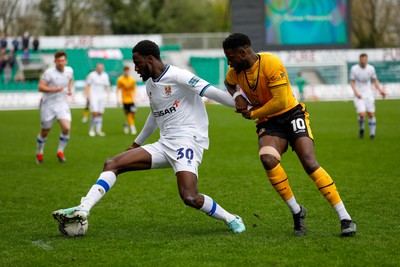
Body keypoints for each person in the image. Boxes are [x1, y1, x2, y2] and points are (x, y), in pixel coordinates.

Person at [52, 40, 246, 234]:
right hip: (164, 144)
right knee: (112, 163)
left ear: (150, 59)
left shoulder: (179, 75)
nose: (136, 69)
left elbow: (212, 92)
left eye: (138, 63)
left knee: (190, 197)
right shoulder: (150, 85)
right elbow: (155, 115)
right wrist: (136, 144)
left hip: (188, 142)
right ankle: (83, 208)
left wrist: (238, 99)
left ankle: (231, 218)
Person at [223, 33, 356, 237]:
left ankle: (345, 217)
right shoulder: (235, 70)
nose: (228, 61)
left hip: (291, 114)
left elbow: (281, 102)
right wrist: (236, 96)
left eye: (230, 57)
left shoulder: (271, 63)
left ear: (243, 52)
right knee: (267, 159)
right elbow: (229, 83)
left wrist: (252, 113)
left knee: (309, 163)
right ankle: (297, 211)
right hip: (269, 122)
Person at [36, 51, 74, 164]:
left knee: (66, 128)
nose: (61, 63)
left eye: (62, 61)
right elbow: (40, 87)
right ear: (54, 61)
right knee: (45, 131)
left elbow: (71, 80)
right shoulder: (49, 73)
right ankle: (39, 152)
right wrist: (54, 89)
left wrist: (70, 89)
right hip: (48, 105)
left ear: (65, 61)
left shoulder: (69, 70)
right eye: (58, 61)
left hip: (62, 104)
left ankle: (60, 151)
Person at [350, 53, 386, 139]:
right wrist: (356, 92)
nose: (363, 61)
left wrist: (381, 91)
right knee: (362, 114)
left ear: (366, 60)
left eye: (364, 59)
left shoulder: (371, 68)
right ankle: (361, 128)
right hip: (358, 94)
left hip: (368, 94)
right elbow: (352, 81)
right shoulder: (354, 69)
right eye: (362, 59)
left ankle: (372, 134)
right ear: (359, 60)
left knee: (371, 114)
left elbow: (375, 80)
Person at [86, 63, 110, 136]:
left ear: (103, 68)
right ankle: (91, 129)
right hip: (93, 96)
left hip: (102, 96)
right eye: (98, 67)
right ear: (96, 68)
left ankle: (98, 130)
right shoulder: (92, 75)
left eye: (101, 68)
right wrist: (87, 95)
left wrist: (108, 95)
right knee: (94, 113)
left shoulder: (105, 75)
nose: (100, 69)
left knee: (100, 113)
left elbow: (107, 86)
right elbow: (88, 85)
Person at [116, 66, 137, 135]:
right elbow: (118, 90)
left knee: (133, 114)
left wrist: (135, 97)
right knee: (128, 114)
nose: (126, 72)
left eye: (128, 71)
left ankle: (126, 124)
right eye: (125, 71)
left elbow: (134, 89)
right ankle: (132, 128)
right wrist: (118, 100)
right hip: (124, 100)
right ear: (123, 71)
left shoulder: (132, 79)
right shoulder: (120, 79)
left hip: (131, 100)